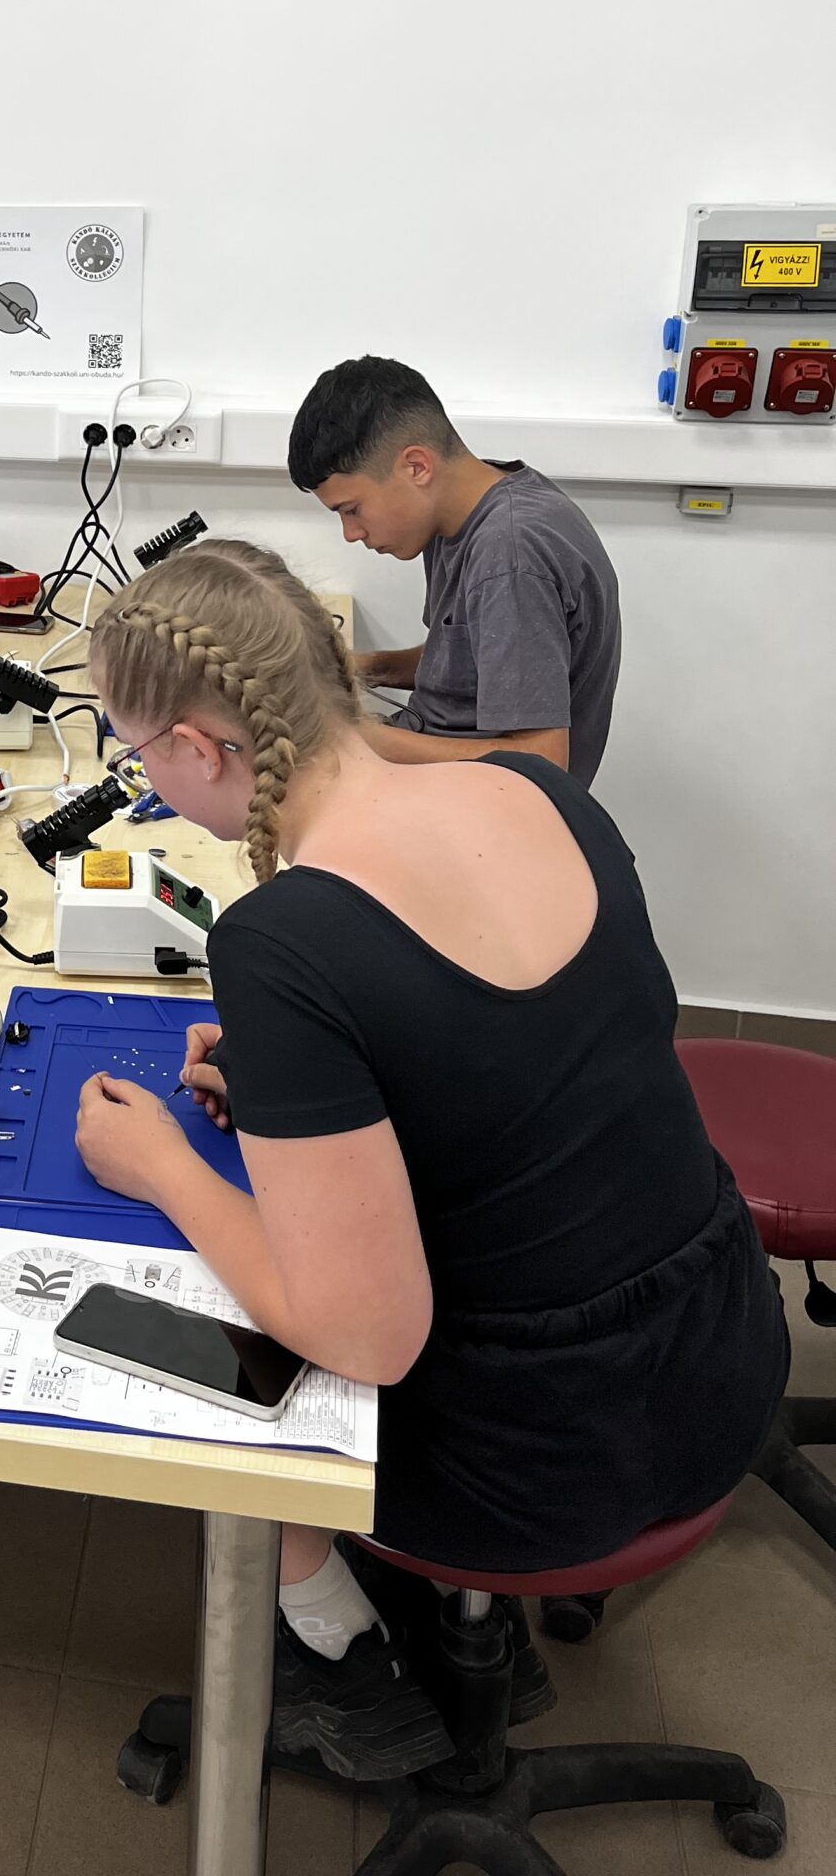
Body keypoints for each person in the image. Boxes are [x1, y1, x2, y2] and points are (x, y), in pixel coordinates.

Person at [72, 539, 786, 1782]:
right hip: (721, 1346)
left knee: (172, 1318)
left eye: (134, 755)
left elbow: (369, 1337)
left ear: (196, 746)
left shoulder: (283, 940)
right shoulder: (540, 793)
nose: (147, 779)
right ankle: (449, 1634)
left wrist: (160, 1166)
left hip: (544, 1459)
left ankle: (339, 1654)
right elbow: (517, 1051)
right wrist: (305, 1079)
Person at [287, 356, 621, 782]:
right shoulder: (463, 512)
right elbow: (468, 660)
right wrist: (350, 667)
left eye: (352, 510)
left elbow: (542, 762)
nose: (351, 533)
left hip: (484, 803)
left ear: (416, 466)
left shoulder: (510, 554)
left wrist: (357, 739)